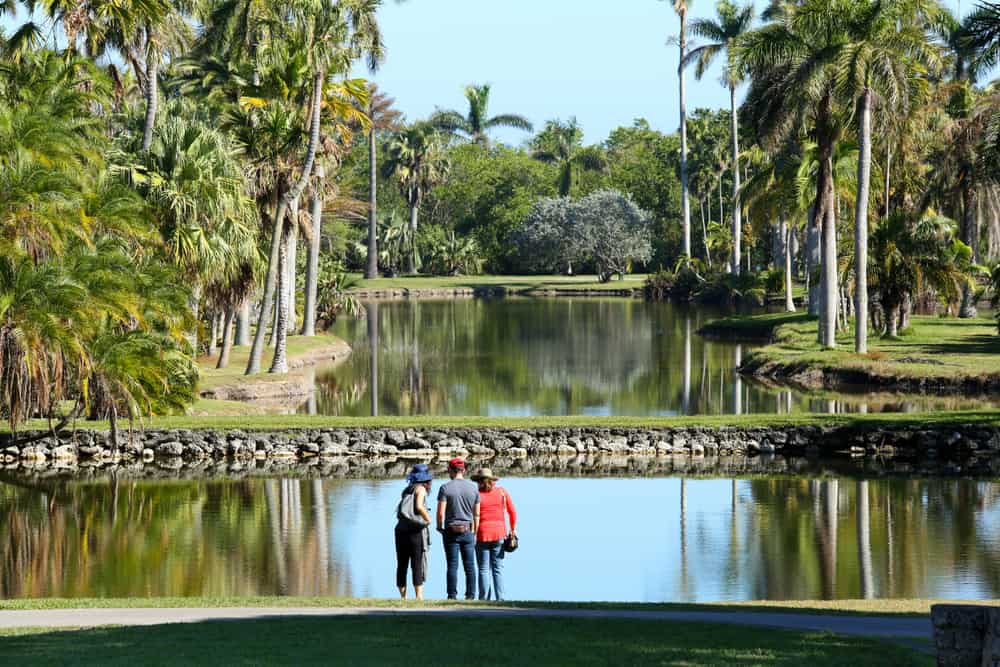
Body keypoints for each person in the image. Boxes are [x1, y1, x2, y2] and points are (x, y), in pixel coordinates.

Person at [436, 457, 480, 600]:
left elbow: (440, 512)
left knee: (452, 565)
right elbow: (477, 513)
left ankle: (452, 596)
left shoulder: (445, 488)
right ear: (464, 470)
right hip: (468, 530)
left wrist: (439, 527)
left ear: (450, 470)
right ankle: (471, 596)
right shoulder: (474, 488)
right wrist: (475, 530)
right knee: (470, 566)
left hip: (450, 530)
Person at [471, 467, 517, 601]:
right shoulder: (502, 492)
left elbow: (472, 514)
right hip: (499, 534)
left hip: (481, 534)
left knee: (483, 569)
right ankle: (500, 599)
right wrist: (512, 530)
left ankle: (484, 599)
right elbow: (512, 512)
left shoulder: (475, 494)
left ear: (478, 482)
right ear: (492, 481)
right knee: (498, 569)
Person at [395, 463, 433, 599]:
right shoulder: (421, 489)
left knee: (402, 564)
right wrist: (428, 519)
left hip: (400, 530)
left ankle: (403, 597)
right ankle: (419, 596)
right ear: (426, 480)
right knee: (417, 563)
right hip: (415, 531)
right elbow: (418, 506)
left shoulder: (407, 490)